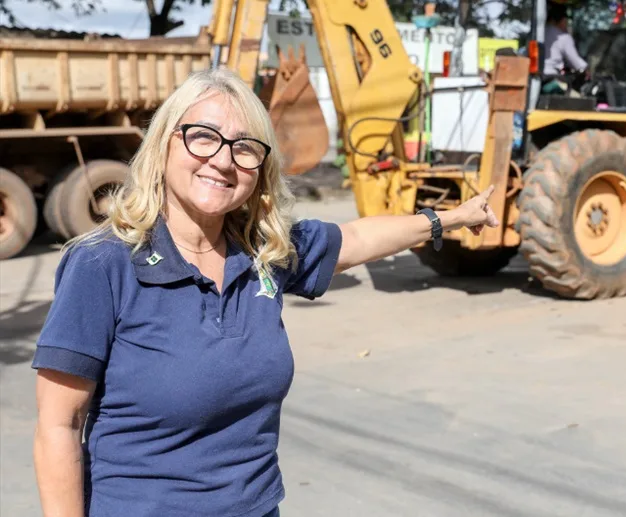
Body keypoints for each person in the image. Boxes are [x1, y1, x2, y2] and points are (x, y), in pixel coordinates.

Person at [30, 67, 498, 517]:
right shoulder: (103, 263)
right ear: (164, 144)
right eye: (202, 136)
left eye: (244, 147)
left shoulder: (261, 250)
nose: (222, 159)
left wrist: (451, 218)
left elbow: (355, 240)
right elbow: (58, 427)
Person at [542, 2, 588, 85]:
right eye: (566, 20)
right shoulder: (563, 37)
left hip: (535, 76)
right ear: (561, 20)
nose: (566, 24)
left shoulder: (536, 33)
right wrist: (587, 70)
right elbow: (575, 62)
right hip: (552, 77)